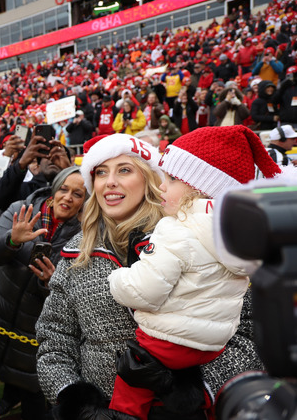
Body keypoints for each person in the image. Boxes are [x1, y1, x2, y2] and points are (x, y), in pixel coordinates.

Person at [35, 133, 263, 420]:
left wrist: (186, 388)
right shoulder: (74, 253)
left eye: (124, 170)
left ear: (151, 178)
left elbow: (251, 334)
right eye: (101, 172)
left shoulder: (202, 239)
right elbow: (54, 339)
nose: (110, 182)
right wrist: (75, 403)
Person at [107, 126, 283, 419]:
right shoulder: (239, 235)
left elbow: (145, 292)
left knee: (127, 395)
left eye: (172, 179)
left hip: (163, 344)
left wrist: (118, 279)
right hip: (212, 346)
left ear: (199, 188)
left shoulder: (175, 229)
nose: (162, 186)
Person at [0, 166, 86, 419]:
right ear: (54, 190)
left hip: (35, 329)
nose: (67, 197)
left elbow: (77, 293)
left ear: (85, 201)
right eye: (64, 189)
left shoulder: (86, 234)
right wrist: (12, 240)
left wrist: (52, 282)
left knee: (33, 389)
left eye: (78, 194)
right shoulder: (22, 208)